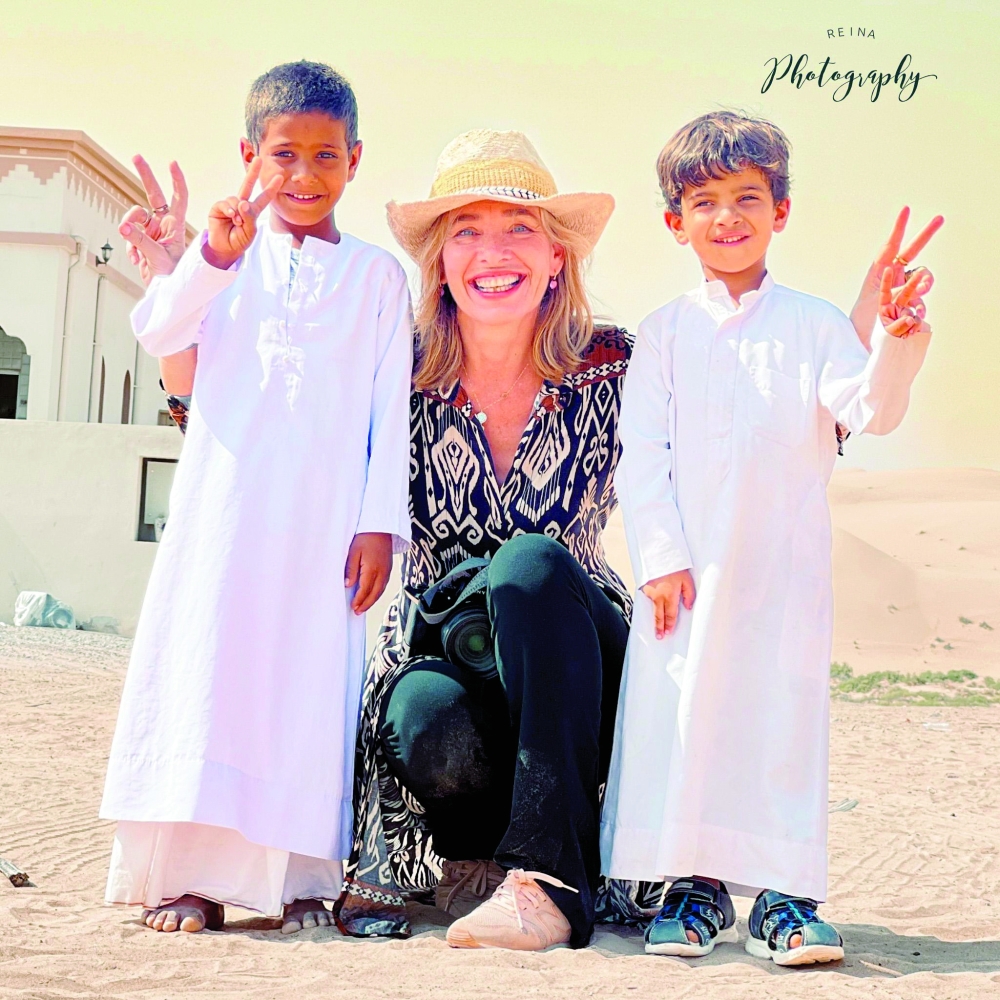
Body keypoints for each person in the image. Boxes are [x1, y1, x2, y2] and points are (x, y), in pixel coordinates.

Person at [125, 126, 938, 953]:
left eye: (519, 229)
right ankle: (482, 861)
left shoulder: (614, 363)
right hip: (450, 654)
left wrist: (869, 330)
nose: (493, 252)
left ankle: (547, 885)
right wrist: (182, 286)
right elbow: (243, 414)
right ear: (441, 260)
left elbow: (769, 405)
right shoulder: (393, 371)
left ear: (557, 258)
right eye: (467, 232)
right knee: (420, 714)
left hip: (586, 662)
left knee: (529, 566)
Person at [599, 110, 940, 966]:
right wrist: (663, 561)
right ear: (675, 221)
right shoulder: (666, 333)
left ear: (780, 210)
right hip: (685, 586)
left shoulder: (815, 323)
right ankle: (693, 889)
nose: (728, 217)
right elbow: (644, 456)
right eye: (705, 201)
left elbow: (870, 408)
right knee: (686, 726)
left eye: (747, 197)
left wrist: (896, 334)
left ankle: (788, 901)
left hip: (784, 578)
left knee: (779, 729)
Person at [99, 61, 412, 936]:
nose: (303, 177)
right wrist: (205, 258)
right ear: (250, 154)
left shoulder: (378, 279)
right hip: (222, 526)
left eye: (325, 156)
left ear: (356, 159)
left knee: (308, 687)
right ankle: (187, 878)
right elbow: (160, 332)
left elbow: (390, 416)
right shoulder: (223, 257)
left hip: (324, 532)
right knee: (209, 680)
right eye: (284, 155)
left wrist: (380, 523)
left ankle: (301, 877)